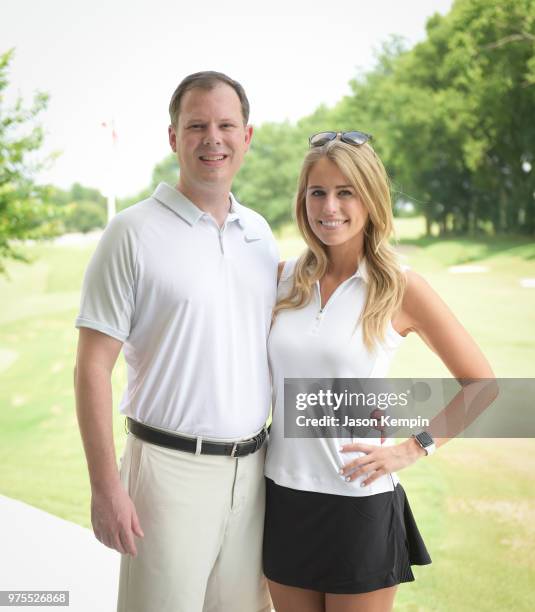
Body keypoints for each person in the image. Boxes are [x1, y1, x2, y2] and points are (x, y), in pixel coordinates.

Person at [263, 131, 495, 611]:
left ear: (370, 199)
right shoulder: (282, 279)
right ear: (303, 199)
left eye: (345, 192)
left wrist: (414, 447)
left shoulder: (401, 286)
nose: (330, 206)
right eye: (317, 192)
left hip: (358, 505)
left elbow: (483, 386)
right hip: (282, 498)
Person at [73, 71, 278, 612]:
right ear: (173, 138)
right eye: (197, 125)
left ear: (247, 136)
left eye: (226, 125)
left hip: (254, 473)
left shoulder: (260, 233)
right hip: (167, 474)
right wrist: (105, 488)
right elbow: (92, 367)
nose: (214, 138)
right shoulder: (132, 232)